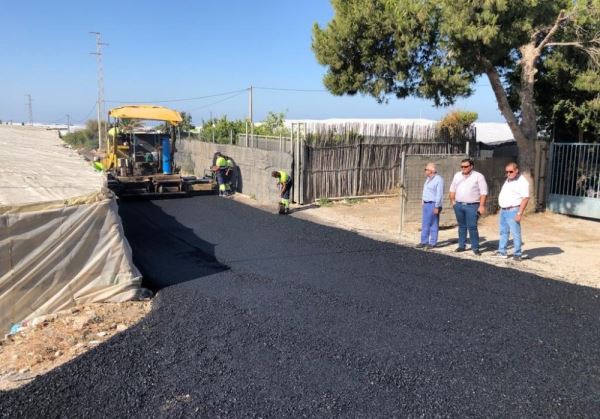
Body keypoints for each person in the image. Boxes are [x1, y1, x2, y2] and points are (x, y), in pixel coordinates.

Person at [449, 158, 488, 255]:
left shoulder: (478, 176)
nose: (463, 168)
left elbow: (484, 192)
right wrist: (453, 202)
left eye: (465, 166)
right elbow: (452, 189)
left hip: (472, 206)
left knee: (472, 227)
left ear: (471, 166)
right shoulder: (457, 175)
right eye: (462, 166)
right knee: (461, 226)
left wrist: (482, 205)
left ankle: (475, 248)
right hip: (459, 205)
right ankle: (461, 246)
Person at [495, 162, 530, 261]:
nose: (508, 173)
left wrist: (519, 213)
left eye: (511, 171)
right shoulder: (508, 180)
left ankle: (517, 254)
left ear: (516, 170)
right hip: (504, 210)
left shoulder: (522, 182)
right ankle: (502, 252)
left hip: (513, 210)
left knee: (515, 233)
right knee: (503, 232)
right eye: (506, 172)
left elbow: (525, 198)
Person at [416, 162, 444, 249]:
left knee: (433, 223)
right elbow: (426, 191)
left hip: (433, 204)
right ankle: (424, 241)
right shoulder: (428, 179)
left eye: (426, 169)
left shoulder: (439, 180)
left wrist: (437, 206)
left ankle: (433, 242)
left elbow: (439, 194)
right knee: (425, 223)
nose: (425, 171)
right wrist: (423, 201)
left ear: (432, 170)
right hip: (426, 203)